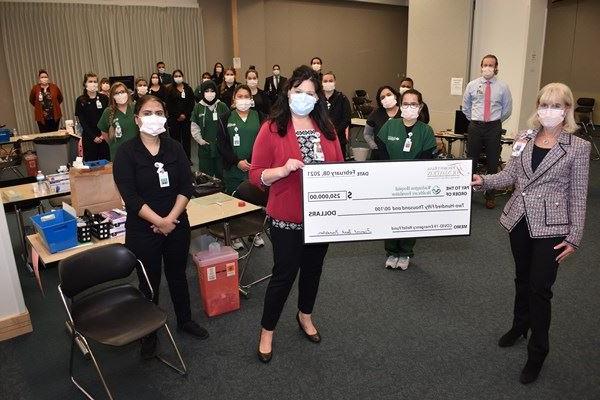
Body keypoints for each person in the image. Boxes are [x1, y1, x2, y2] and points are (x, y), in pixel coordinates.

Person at [471, 83, 590, 385]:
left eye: (557, 106)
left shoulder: (578, 147)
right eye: (544, 105)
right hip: (519, 221)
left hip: (552, 227)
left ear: (567, 110)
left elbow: (578, 195)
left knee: (540, 288)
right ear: (537, 107)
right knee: (522, 278)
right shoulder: (524, 137)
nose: (549, 111)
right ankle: (519, 325)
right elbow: (510, 175)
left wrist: (574, 235)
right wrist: (482, 180)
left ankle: (538, 352)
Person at [249, 65, 344, 363]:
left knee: (313, 270)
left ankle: (305, 315)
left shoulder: (327, 130)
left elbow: (342, 168)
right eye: (298, 91)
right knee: (284, 274)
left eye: (310, 93)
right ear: (288, 93)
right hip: (287, 216)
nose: (303, 97)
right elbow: (255, 176)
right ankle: (267, 330)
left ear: (318, 99)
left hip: (322, 216)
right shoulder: (271, 128)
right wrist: (282, 169)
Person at [113, 94, 209, 359]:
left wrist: (170, 220)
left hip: (176, 222)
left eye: (158, 112)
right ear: (136, 118)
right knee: (149, 281)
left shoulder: (175, 147)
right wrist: (159, 222)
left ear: (165, 117)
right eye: (147, 112)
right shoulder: (125, 153)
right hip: (143, 228)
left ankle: (185, 320)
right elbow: (130, 197)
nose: (153, 117)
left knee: (178, 274)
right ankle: (148, 333)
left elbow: (186, 187)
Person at [377, 89, 436, 270]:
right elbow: (381, 151)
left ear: (421, 106)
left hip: (414, 183)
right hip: (390, 179)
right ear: (400, 105)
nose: (409, 107)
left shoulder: (425, 130)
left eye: (414, 104)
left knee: (410, 216)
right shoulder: (389, 126)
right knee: (392, 215)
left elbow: (427, 158)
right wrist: (390, 174)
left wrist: (410, 175)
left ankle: (405, 253)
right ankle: (391, 252)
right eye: (406, 103)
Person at [463, 54, 513, 209]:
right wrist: (476, 120)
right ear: (481, 67)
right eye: (485, 65)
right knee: (472, 161)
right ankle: (468, 194)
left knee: (492, 162)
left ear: (496, 67)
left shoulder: (503, 87)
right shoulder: (472, 85)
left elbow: (507, 110)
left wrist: (493, 121)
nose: (487, 68)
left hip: (493, 127)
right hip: (475, 127)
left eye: (491, 65)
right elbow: (466, 107)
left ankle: (490, 196)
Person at [191, 80, 229, 179]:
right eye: (206, 91)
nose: (209, 93)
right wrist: (200, 141)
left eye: (212, 91)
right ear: (203, 92)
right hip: (205, 147)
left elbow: (229, 125)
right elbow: (194, 126)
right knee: (205, 176)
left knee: (222, 174)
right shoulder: (198, 107)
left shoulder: (222, 106)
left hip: (220, 148)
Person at [97, 82, 137, 161]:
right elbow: (104, 132)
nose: (120, 95)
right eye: (117, 93)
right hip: (118, 152)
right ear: (112, 96)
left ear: (127, 93)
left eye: (122, 92)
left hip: (136, 150)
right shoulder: (108, 111)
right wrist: (113, 144)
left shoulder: (135, 107)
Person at [75, 72, 109, 161]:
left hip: (104, 136)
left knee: (106, 163)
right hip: (89, 137)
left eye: (95, 81)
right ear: (85, 83)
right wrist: (93, 137)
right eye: (90, 81)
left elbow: (108, 117)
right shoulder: (80, 100)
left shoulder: (104, 98)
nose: (93, 84)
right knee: (91, 165)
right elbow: (82, 121)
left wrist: (103, 135)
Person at [363, 86, 401, 160]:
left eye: (389, 95)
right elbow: (367, 134)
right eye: (382, 97)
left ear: (395, 96)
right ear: (380, 101)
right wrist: (374, 147)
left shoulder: (404, 113)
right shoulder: (375, 114)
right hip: (379, 156)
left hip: (400, 155)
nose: (386, 98)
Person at [165, 69, 195, 160]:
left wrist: (185, 114)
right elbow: (169, 104)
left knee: (186, 139)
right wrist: (178, 115)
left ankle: (187, 158)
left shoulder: (188, 88)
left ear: (182, 77)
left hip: (186, 118)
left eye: (179, 76)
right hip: (174, 118)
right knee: (175, 139)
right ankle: (177, 158)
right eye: (176, 76)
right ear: (173, 78)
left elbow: (191, 103)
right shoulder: (169, 89)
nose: (178, 78)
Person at [322, 71, 351, 159]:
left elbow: (346, 119)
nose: (328, 83)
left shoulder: (342, 98)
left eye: (331, 81)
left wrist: (335, 132)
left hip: (338, 138)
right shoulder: (317, 99)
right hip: (321, 138)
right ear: (321, 83)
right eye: (325, 81)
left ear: (335, 82)